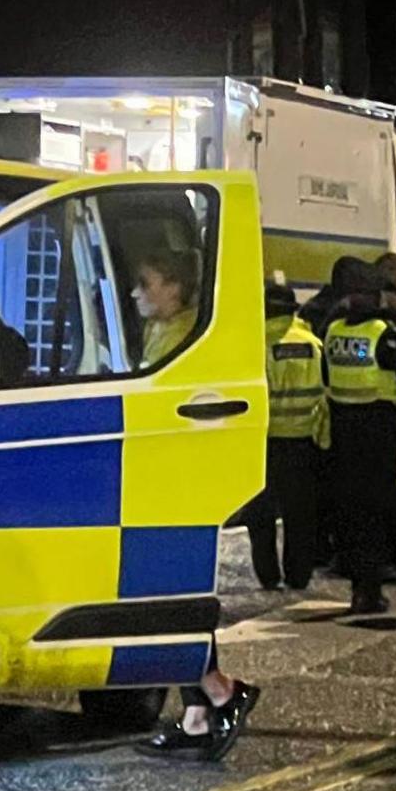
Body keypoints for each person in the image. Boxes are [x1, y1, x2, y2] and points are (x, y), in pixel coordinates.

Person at [135, 250, 258, 761]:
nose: (137, 293)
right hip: (158, 478)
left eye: (147, 281)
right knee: (168, 600)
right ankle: (202, 708)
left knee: (169, 599)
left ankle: (220, 694)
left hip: (174, 483)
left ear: (177, 288)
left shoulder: (186, 336)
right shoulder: (162, 331)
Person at [319, 257, 396, 614]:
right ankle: (371, 591)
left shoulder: (332, 332)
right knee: (377, 513)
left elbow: (326, 377)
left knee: (352, 513)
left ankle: (359, 587)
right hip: (378, 431)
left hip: (342, 430)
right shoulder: (383, 333)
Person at [232, 282, 325, 591]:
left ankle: (268, 574)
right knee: (300, 514)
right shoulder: (313, 344)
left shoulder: (253, 346)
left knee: (260, 514)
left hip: (263, 442)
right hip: (303, 441)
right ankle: (299, 575)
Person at [133, 249, 200, 367]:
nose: (134, 293)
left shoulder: (181, 339)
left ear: (173, 288)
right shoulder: (154, 324)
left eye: (144, 285)